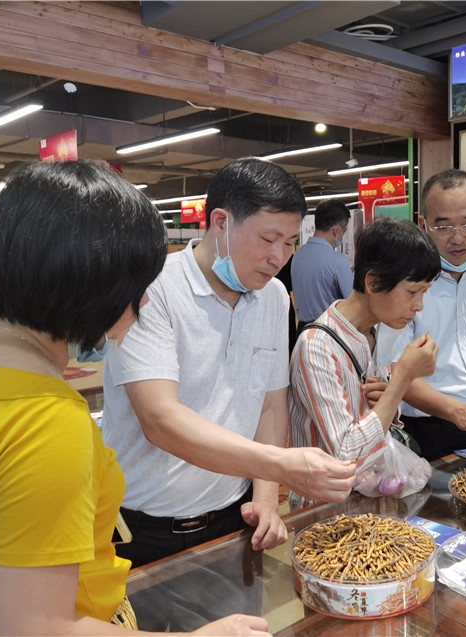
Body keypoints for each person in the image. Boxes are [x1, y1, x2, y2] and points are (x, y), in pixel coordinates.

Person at [0, 160, 269, 636]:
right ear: (93, 285)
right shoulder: (46, 421)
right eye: (138, 288)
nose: (144, 303)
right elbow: (36, 628)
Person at [102, 157, 356, 568]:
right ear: (220, 222)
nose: (279, 257)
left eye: (290, 242)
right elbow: (160, 419)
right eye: (268, 239)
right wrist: (282, 465)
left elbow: (270, 404)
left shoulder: (274, 297)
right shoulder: (153, 288)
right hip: (143, 527)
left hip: (234, 516)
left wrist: (266, 497)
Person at [289, 217, 440, 507]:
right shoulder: (317, 346)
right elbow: (347, 457)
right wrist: (401, 381)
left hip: (369, 505)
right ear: (373, 282)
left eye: (424, 292)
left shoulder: (375, 332)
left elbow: (379, 420)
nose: (419, 306)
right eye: (412, 292)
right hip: (324, 512)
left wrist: (386, 395)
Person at [376, 169, 466, 462]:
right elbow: (394, 371)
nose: (458, 238)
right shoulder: (404, 287)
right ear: (423, 224)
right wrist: (454, 410)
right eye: (443, 227)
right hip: (426, 429)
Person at [291, 199, 353, 328]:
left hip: (303, 328)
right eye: (344, 231)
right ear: (337, 231)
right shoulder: (337, 260)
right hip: (329, 330)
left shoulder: (297, 256)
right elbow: (353, 303)